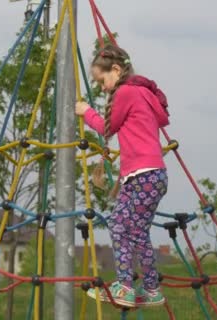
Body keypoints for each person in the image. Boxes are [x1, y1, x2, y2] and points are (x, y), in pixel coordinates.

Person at [75, 44, 170, 308]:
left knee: (118, 224)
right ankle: (151, 289)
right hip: (149, 175)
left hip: (143, 175)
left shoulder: (127, 92)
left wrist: (86, 113)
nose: (103, 88)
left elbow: (108, 127)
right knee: (136, 231)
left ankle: (126, 286)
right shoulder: (142, 93)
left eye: (102, 81)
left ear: (115, 70)